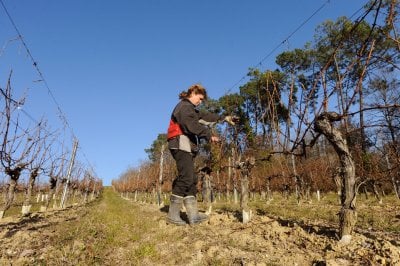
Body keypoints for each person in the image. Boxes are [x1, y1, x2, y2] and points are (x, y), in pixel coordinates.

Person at [166, 83, 236, 225]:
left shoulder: (192, 109)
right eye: (200, 98)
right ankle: (173, 215)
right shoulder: (184, 107)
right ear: (193, 93)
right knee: (186, 177)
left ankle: (193, 216)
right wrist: (208, 134)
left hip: (186, 145)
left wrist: (224, 118)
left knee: (191, 179)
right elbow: (190, 125)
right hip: (180, 143)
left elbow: (206, 116)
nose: (201, 101)